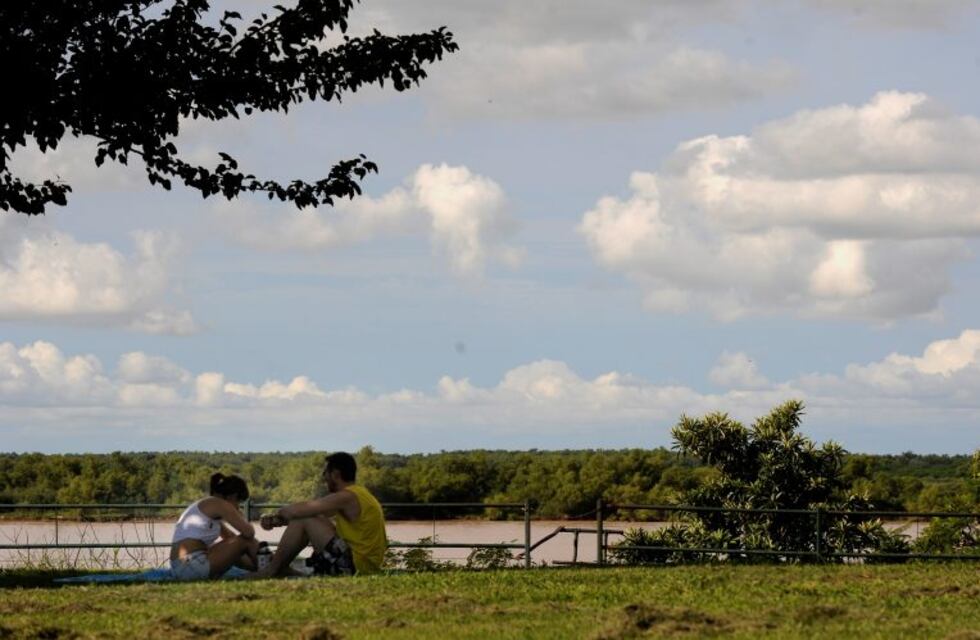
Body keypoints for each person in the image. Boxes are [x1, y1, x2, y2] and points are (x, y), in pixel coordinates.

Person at [257, 452, 387, 577]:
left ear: (335, 474)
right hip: (361, 565)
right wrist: (277, 521)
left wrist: (275, 517)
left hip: (353, 567)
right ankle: (281, 568)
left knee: (306, 517)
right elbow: (313, 516)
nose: (324, 477)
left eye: (325, 473)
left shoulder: (346, 497)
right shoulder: (360, 494)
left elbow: (296, 511)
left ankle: (271, 570)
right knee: (310, 516)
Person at [170, 472, 259, 580]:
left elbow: (230, 537)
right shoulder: (219, 503)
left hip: (182, 567)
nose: (237, 507)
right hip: (191, 565)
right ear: (233, 496)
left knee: (235, 545)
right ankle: (270, 568)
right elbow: (249, 533)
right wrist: (240, 515)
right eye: (238, 502)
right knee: (246, 540)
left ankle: (262, 568)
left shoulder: (209, 505)